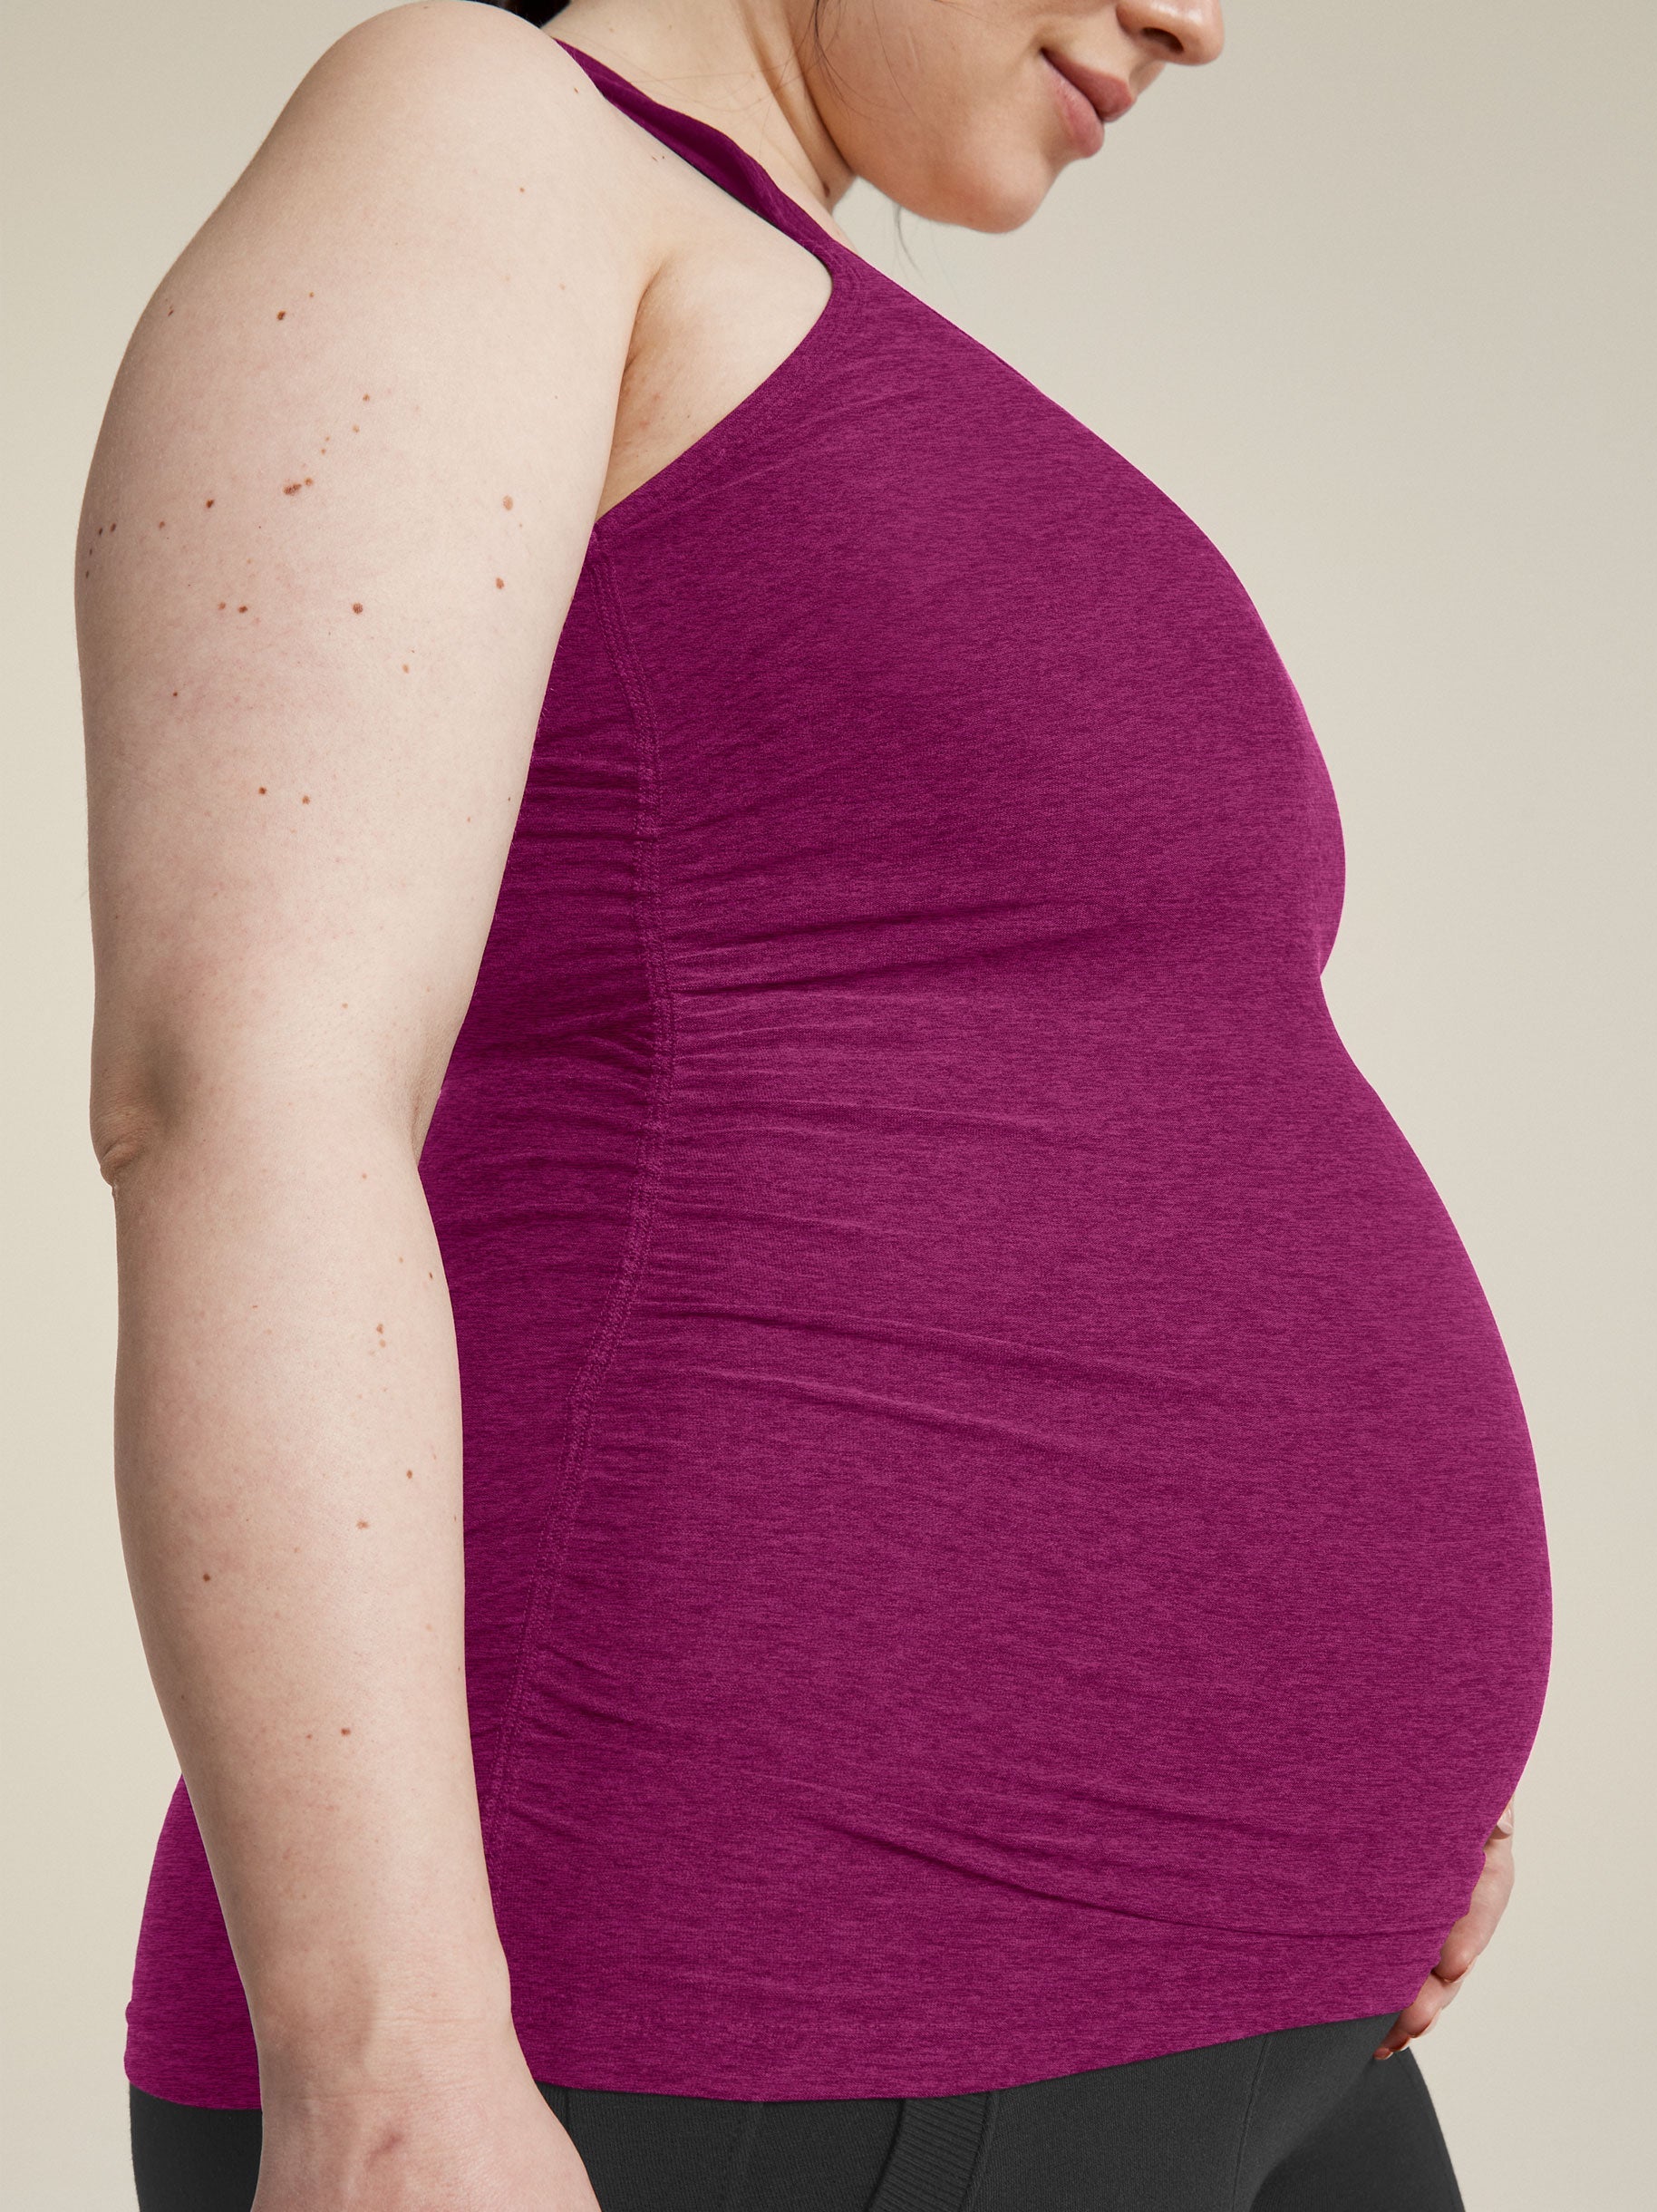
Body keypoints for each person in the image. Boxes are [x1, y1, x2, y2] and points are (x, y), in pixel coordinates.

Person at [78, 0, 1553, 2205]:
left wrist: (1331, 1754)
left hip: (1246, 2003)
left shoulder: (807, 317)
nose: (1197, 21)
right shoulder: (476, 133)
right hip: (709, 2015)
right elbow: (241, 1085)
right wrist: (385, 2063)